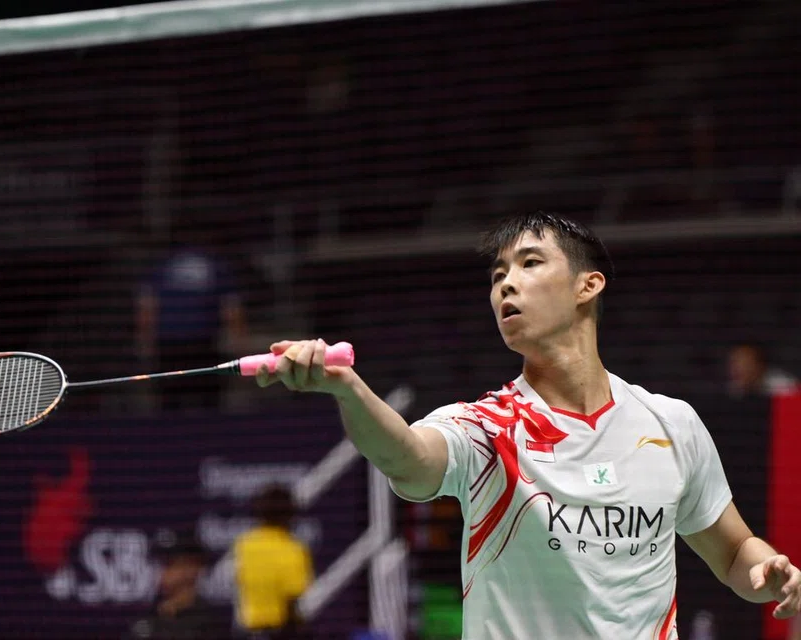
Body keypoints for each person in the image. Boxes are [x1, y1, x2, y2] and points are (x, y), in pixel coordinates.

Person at [253, 211, 801, 639]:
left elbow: (731, 552)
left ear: (588, 286)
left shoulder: (671, 423)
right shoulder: (486, 428)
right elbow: (408, 458)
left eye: (530, 264)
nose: (505, 286)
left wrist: (768, 570)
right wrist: (346, 388)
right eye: (498, 276)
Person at [135, 217, 248, 410]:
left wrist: (145, 344)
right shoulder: (216, 265)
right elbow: (232, 311)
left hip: (173, 348)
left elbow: (147, 309)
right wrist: (240, 347)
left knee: (170, 407)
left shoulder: (162, 265)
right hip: (203, 347)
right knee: (208, 407)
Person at [232, 483, 314, 640]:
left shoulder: (244, 546)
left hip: (246, 631)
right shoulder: (293, 549)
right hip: (280, 631)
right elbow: (292, 599)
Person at [128, 535, 232, 640]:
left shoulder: (211, 625)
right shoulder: (145, 621)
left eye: (170, 564)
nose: (161, 570)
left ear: (193, 569)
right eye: (158, 562)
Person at [726, 343, 799, 399]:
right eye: (735, 362)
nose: (737, 369)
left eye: (745, 363)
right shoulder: (733, 390)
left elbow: (793, 417)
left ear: (760, 364)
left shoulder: (785, 387)